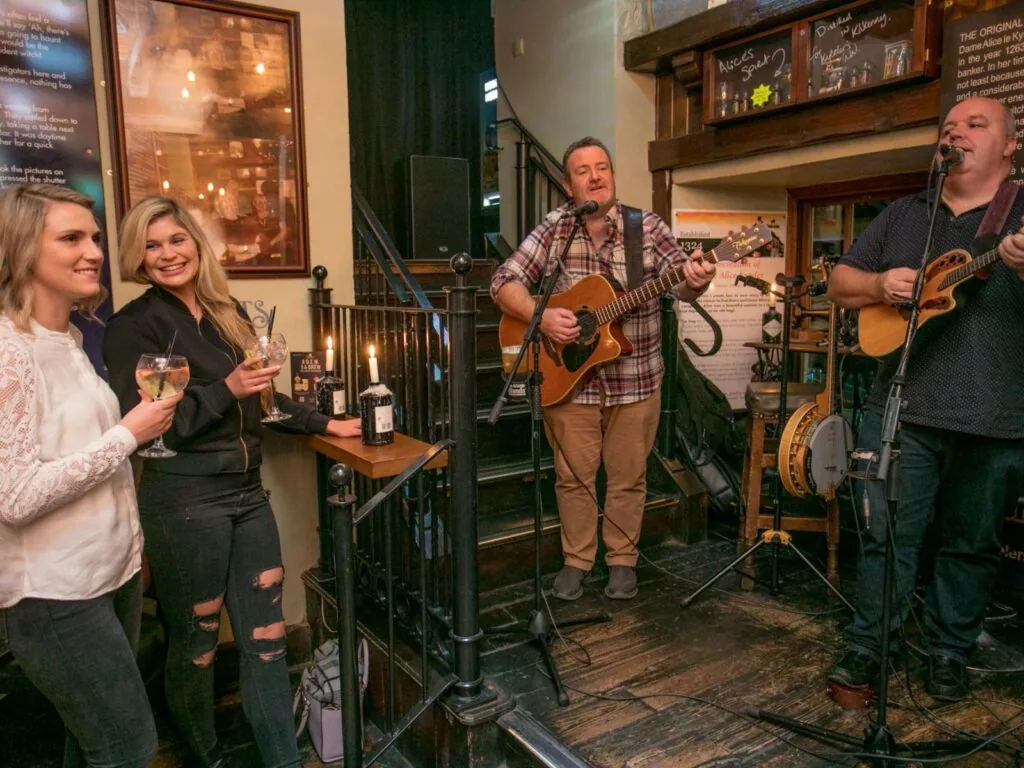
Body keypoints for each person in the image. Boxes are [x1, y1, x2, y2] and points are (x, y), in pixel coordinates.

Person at [102, 196, 360, 768]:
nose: (167, 254)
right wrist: (228, 391)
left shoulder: (228, 314)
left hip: (247, 494)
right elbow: (147, 424)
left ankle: (282, 760)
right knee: (194, 646)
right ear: (137, 258)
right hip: (183, 502)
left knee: (266, 641)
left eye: (175, 239)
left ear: (195, 242)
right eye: (151, 245)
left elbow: (264, 394)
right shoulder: (132, 326)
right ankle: (207, 755)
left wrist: (328, 423)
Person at [827, 96, 1024, 702]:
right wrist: (880, 283)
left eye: (976, 124)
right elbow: (840, 281)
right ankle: (869, 645)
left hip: (997, 412)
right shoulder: (906, 213)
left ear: (1010, 145)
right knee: (888, 537)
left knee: (970, 545)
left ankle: (948, 653)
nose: (957, 132)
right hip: (903, 410)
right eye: (949, 126)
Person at [0, 183, 181, 767]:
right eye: (71, 238)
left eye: (95, 238)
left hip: (111, 575)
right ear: (23, 249)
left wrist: (134, 547)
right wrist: (130, 433)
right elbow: (15, 495)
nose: (94, 251)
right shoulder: (10, 350)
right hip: (56, 594)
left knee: (94, 746)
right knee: (129, 746)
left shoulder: (72, 339)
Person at [490, 136, 715, 601]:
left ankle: (622, 559)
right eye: (583, 170)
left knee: (629, 477)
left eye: (603, 167)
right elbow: (502, 281)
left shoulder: (647, 227)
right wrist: (541, 315)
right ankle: (577, 558)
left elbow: (682, 284)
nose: (596, 176)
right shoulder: (555, 229)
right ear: (566, 183)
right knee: (572, 477)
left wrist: (696, 279)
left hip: (636, 381)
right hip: (568, 382)